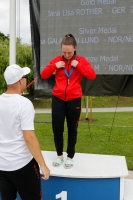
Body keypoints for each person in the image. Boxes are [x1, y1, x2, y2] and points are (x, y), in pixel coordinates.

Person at [41, 33, 96, 169]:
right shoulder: (57, 60)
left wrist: (78, 66)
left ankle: (70, 156)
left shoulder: (81, 60)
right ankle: (59, 156)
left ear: (75, 48)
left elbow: (92, 75)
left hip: (74, 99)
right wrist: (54, 66)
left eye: (69, 52)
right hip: (58, 99)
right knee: (57, 128)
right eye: (64, 52)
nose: (67, 55)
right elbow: (43, 75)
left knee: (72, 129)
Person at [0, 64, 50, 200]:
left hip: (2, 166)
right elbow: (29, 137)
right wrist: (43, 165)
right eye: (25, 77)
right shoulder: (24, 104)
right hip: (22, 165)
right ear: (20, 81)